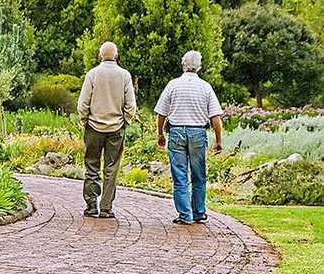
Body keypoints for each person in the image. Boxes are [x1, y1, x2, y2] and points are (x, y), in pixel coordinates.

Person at [154, 50, 224, 225]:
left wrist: (160, 133)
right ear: (199, 67)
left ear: (182, 64)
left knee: (180, 175)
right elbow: (215, 118)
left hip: (176, 131)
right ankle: (199, 212)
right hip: (198, 132)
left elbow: (161, 114)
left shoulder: (173, 85)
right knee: (199, 175)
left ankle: (185, 215)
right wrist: (218, 141)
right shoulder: (205, 87)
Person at [77, 42, 137, 218]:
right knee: (111, 168)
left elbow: (83, 103)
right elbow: (131, 105)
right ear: (116, 55)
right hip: (116, 127)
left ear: (100, 55)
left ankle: (91, 205)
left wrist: (84, 120)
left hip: (94, 127)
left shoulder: (92, 74)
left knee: (91, 165)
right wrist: (125, 121)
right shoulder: (124, 75)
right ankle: (106, 207)